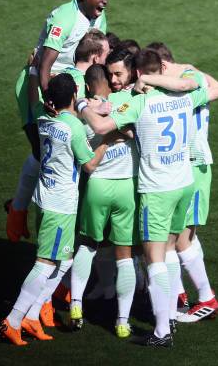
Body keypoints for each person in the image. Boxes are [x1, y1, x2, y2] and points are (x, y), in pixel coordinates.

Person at [80, 49, 218, 347]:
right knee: (170, 248)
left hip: (157, 190)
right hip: (184, 183)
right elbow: (215, 89)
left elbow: (100, 127)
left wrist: (82, 104)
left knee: (154, 258)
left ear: (137, 74)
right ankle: (170, 312)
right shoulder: (186, 97)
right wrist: (181, 72)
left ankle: (162, 329)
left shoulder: (140, 103)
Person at [0, 74, 109, 346]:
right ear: (74, 97)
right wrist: (109, 137)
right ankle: (12, 321)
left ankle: (33, 315)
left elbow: (34, 100)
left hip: (46, 197)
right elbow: (89, 165)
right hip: (60, 205)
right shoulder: (73, 127)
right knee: (45, 263)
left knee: (67, 259)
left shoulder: (44, 118)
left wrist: (34, 74)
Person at [5, 0, 109, 243]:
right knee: (42, 152)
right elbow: (45, 64)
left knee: (61, 151)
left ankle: (28, 210)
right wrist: (49, 98)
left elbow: (97, 55)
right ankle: (18, 209)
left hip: (70, 85)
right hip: (43, 86)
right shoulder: (65, 17)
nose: (105, 2)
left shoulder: (98, 19)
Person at [146, 42, 218, 322]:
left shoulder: (185, 87)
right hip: (182, 170)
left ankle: (206, 297)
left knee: (181, 240)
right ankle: (179, 293)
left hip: (195, 167)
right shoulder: (193, 80)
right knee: (174, 238)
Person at [68, 64, 140, 338]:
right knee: (125, 256)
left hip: (97, 185)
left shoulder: (82, 114)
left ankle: (76, 304)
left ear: (87, 86)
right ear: (109, 83)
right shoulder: (124, 105)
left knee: (87, 245)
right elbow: (134, 132)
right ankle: (122, 321)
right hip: (126, 187)